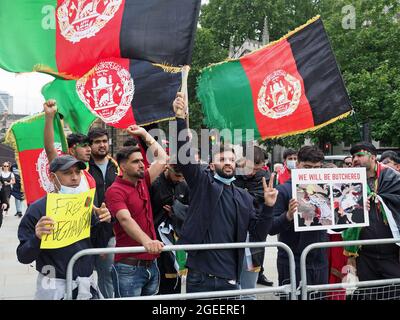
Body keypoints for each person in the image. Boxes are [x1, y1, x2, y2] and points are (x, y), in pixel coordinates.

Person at [173, 92, 278, 295]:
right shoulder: (203, 183)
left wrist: (269, 206)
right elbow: (185, 156)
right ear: (212, 165)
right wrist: (179, 119)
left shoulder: (244, 197)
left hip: (230, 279)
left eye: (231, 159)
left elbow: (258, 234)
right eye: (222, 159)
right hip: (200, 276)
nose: (228, 162)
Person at [16, 155, 112, 300]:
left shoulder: (87, 205)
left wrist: (105, 222)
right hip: (54, 287)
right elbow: (23, 256)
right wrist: (37, 238)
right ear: (52, 177)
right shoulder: (37, 209)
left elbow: (99, 245)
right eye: (67, 173)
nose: (74, 178)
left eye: (78, 172)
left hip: (87, 287)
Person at [105, 125, 168, 297]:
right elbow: (125, 219)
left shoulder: (143, 181)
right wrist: (147, 242)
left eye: (142, 160)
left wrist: (144, 134)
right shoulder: (115, 190)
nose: (142, 164)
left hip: (152, 265)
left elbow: (162, 158)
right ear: (122, 167)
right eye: (135, 161)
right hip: (128, 268)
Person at [343, 142, 400, 298]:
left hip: (392, 254)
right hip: (365, 255)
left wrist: (381, 200)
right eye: (353, 156)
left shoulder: (391, 178)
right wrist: (357, 207)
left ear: (373, 157)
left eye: (360, 155)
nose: (355, 159)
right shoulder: (348, 183)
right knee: (369, 294)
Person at [270, 146, 328, 297]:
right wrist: (288, 215)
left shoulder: (327, 189)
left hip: (319, 260)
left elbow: (338, 226)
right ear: (297, 165)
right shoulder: (283, 190)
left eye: (317, 168)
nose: (312, 172)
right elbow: (271, 228)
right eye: (307, 167)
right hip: (292, 261)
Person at [234, 147, 274, 291]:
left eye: (257, 169)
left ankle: (259, 274)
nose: (253, 172)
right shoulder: (232, 171)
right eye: (250, 168)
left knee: (249, 286)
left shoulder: (265, 177)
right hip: (232, 228)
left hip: (254, 227)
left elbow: (258, 201)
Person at [87, 127, 119, 299]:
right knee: (85, 275)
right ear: (90, 145)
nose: (102, 145)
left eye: (104, 141)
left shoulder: (117, 166)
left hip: (112, 230)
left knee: (107, 273)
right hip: (87, 229)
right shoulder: (83, 167)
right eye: (97, 142)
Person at [150, 163, 189, 294]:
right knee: (162, 279)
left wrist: (177, 209)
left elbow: (192, 209)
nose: (180, 179)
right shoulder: (155, 184)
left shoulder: (184, 185)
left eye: (183, 176)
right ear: (167, 168)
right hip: (157, 238)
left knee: (176, 279)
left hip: (178, 236)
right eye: (177, 175)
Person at [43, 99, 96, 190]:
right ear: (71, 150)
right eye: (84, 146)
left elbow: (88, 202)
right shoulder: (60, 165)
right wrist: (49, 116)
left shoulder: (88, 177)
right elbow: (50, 149)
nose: (89, 149)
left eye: (77, 172)